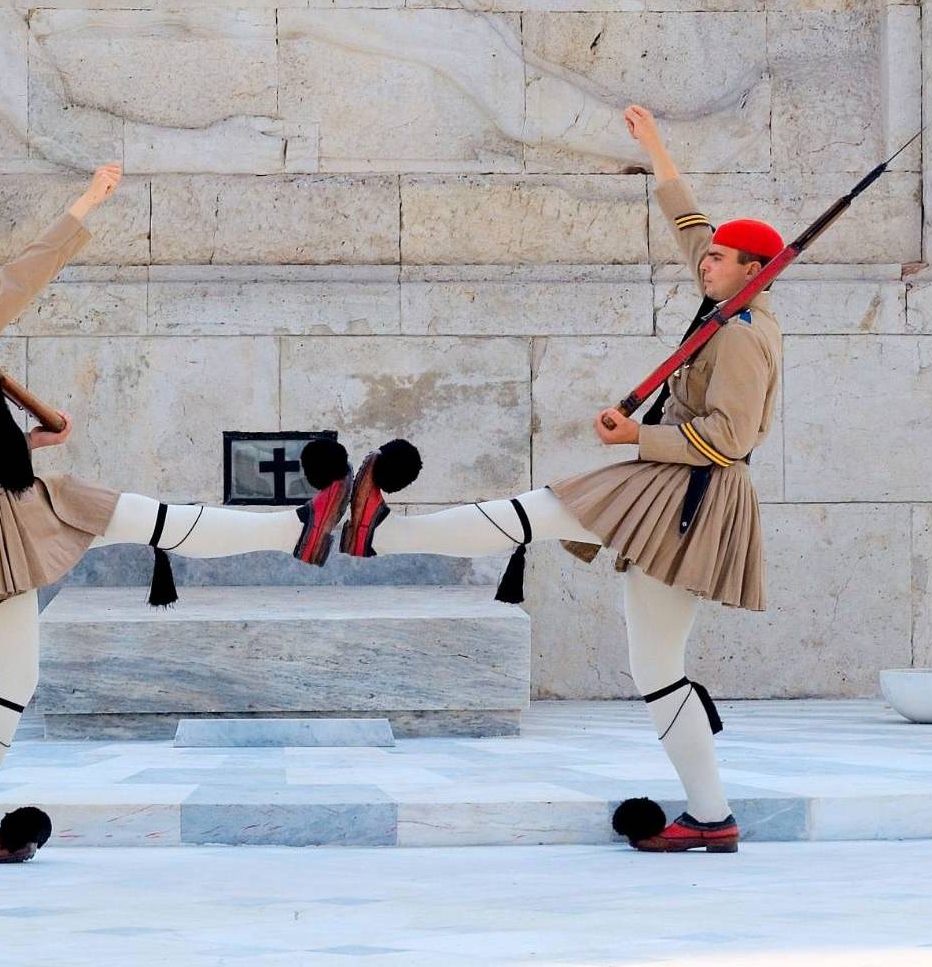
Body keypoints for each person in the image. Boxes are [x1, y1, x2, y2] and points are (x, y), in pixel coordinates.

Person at [337, 105, 786, 854]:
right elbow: (690, 226)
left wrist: (634, 435)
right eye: (707, 257)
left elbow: (730, 438)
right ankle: (712, 819)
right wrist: (658, 150)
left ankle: (379, 532)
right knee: (656, 667)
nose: (705, 262)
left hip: (690, 494)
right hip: (675, 487)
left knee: (542, 511)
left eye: (720, 258)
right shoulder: (725, 298)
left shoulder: (741, 336)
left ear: (752, 271)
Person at [0, 163, 368, 862]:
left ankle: (297, 525)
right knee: (13, 679)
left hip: (1, 486)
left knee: (139, 515)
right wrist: (85, 203)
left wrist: (30, 440)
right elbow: (18, 288)